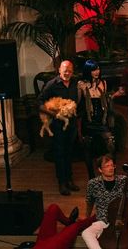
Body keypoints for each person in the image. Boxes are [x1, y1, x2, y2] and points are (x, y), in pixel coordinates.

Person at [81, 156, 128, 249]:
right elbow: (89, 202)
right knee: (86, 233)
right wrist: (87, 217)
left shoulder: (123, 180)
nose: (111, 168)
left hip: (126, 220)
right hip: (104, 220)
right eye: (107, 166)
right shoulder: (93, 183)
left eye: (112, 165)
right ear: (100, 169)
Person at [40, 60, 80, 196]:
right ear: (59, 70)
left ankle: (69, 180)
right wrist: (53, 114)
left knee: (69, 152)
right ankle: (62, 182)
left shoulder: (75, 84)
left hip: (71, 124)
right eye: (65, 70)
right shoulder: (52, 84)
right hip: (57, 125)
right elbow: (39, 102)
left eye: (70, 71)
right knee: (60, 153)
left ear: (72, 72)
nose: (67, 73)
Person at [78, 60, 119, 179]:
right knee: (88, 148)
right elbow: (79, 102)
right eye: (93, 70)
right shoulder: (81, 84)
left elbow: (106, 101)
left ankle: (111, 174)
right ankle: (91, 177)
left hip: (101, 121)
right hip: (88, 121)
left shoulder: (103, 83)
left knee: (111, 144)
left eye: (98, 69)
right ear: (88, 71)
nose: (97, 72)